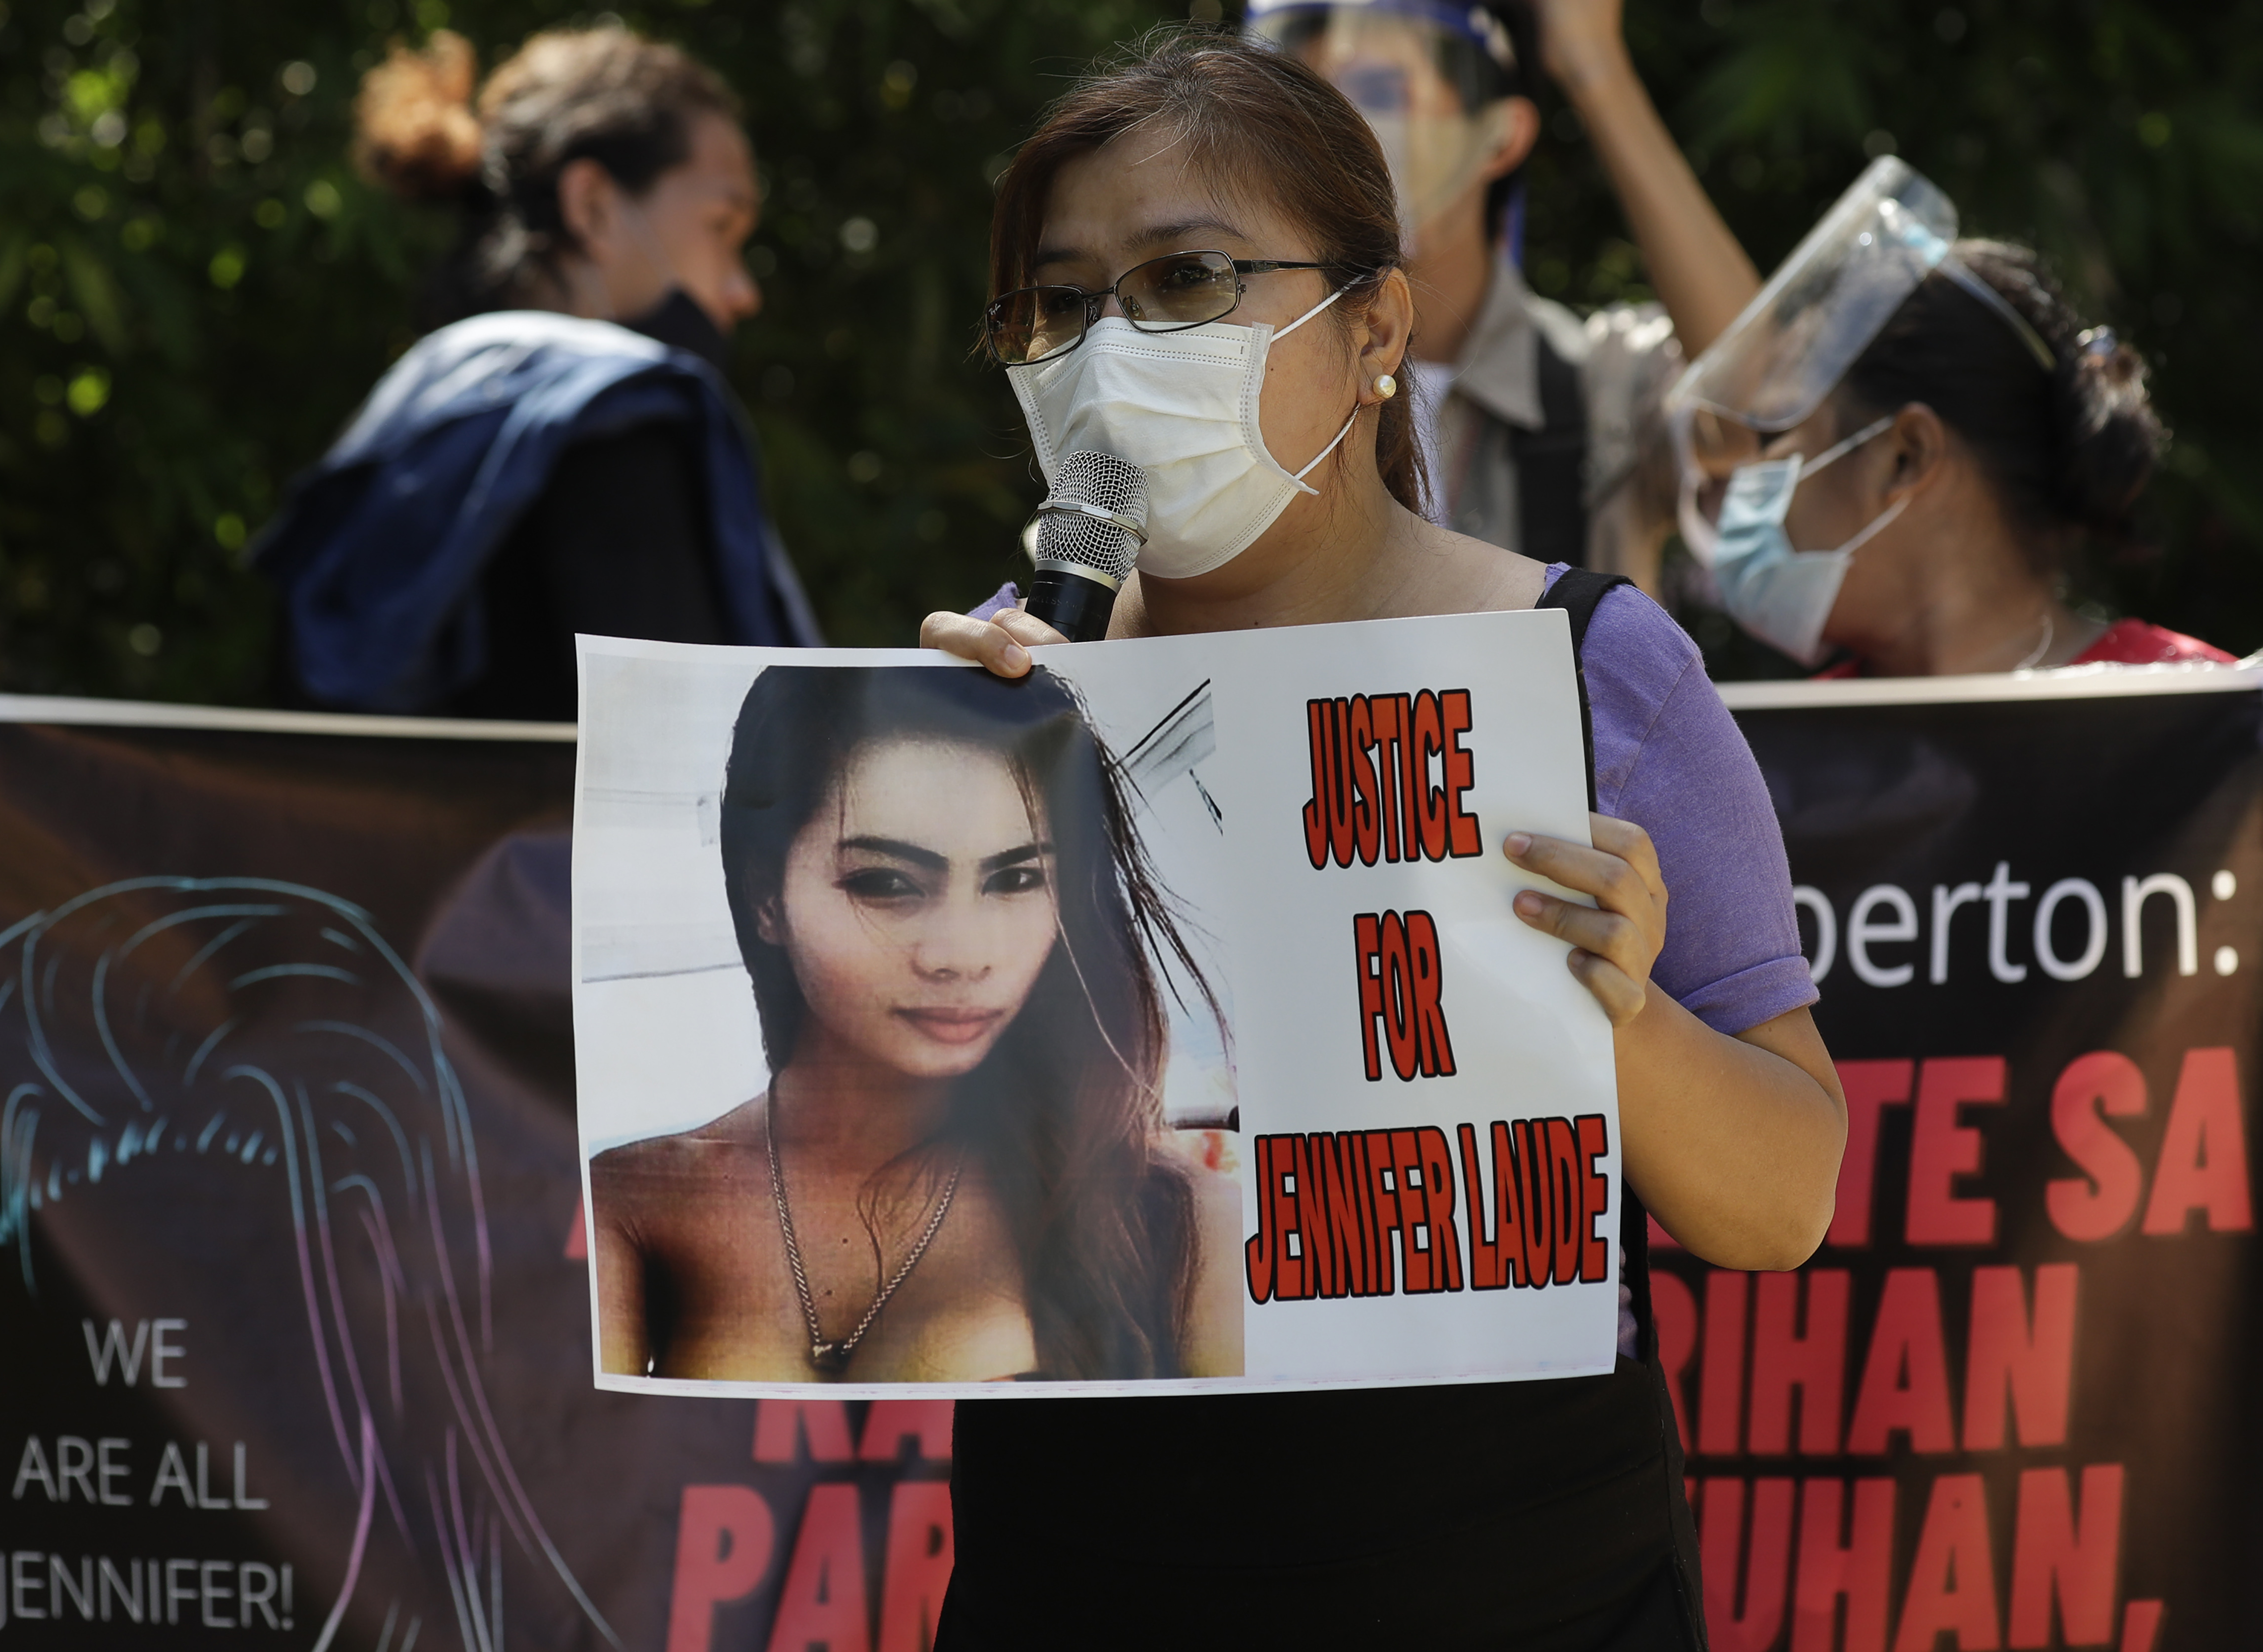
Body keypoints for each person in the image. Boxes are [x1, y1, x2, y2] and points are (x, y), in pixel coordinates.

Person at [925, 32, 1844, 1646]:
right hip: (1080, 1575)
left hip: (1525, 1590)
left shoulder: (1590, 672)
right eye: (1060, 304)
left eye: (1189, 279)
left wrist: (1621, 1013)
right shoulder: (1004, 675)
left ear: (1375, 331)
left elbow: (1780, 1207)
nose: (1111, 350)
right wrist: (941, 790)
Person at [588, 664, 1242, 1383]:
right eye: (887, 883)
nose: (961, 955)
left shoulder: (1180, 1220)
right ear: (766, 898)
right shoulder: (635, 1197)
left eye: (1016, 879)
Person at [251, 25, 819, 722]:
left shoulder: (406, 407)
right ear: (592, 205)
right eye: (721, 227)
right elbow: (687, 758)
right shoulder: (623, 424)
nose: (742, 292)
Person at [1244, 0, 1759, 596]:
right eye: (1297, 107)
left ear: (1500, 137)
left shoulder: (1596, 387)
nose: (1331, 136)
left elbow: (1757, 409)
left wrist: (1596, 68)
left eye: (1379, 92)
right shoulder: (1230, 372)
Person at [1669, 160, 2233, 676]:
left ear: (1906, 455)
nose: (1750, 478)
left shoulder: (2202, 713)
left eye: (1781, 434)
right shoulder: (1781, 740)